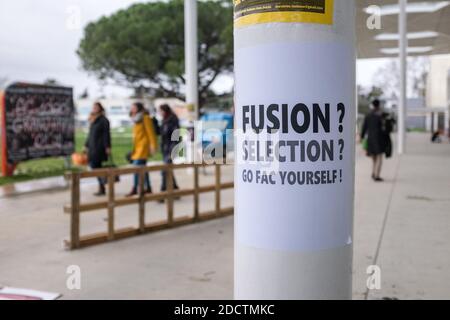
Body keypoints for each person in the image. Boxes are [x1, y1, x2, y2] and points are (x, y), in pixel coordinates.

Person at [126, 102, 158, 197]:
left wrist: (153, 146)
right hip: (137, 148)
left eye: (134, 107)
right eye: (131, 107)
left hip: (143, 148)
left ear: (139, 108)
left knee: (136, 168)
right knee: (143, 169)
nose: (132, 109)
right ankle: (148, 187)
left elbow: (151, 133)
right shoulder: (136, 120)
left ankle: (135, 188)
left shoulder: (145, 118)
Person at [85, 102, 111, 196]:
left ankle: (102, 184)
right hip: (92, 147)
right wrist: (86, 145)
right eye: (93, 107)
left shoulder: (103, 120)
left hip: (99, 148)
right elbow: (90, 134)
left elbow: (106, 135)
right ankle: (102, 185)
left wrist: (107, 147)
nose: (94, 109)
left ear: (100, 108)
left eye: (96, 107)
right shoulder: (93, 120)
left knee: (96, 166)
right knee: (95, 167)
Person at [360, 99, 387, 182]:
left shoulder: (368, 115)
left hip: (370, 139)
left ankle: (373, 172)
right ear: (378, 105)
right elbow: (385, 128)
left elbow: (364, 128)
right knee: (379, 157)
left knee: (374, 158)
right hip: (379, 139)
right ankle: (377, 175)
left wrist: (361, 137)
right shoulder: (381, 115)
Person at [159, 104, 180, 193]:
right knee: (168, 170)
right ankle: (175, 188)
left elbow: (176, 137)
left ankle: (163, 191)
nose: (159, 113)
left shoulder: (172, 120)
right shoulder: (164, 120)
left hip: (171, 149)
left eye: (160, 111)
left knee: (165, 170)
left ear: (165, 111)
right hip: (165, 149)